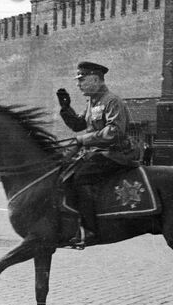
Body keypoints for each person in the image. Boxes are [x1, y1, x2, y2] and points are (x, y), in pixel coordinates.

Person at [57, 61, 138, 248]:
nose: (78, 84)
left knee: (81, 178)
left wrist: (83, 140)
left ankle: (91, 230)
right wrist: (65, 108)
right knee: (66, 173)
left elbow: (115, 132)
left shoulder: (112, 101)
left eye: (82, 79)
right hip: (99, 153)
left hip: (116, 154)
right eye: (78, 80)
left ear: (96, 79)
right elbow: (78, 125)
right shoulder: (92, 102)